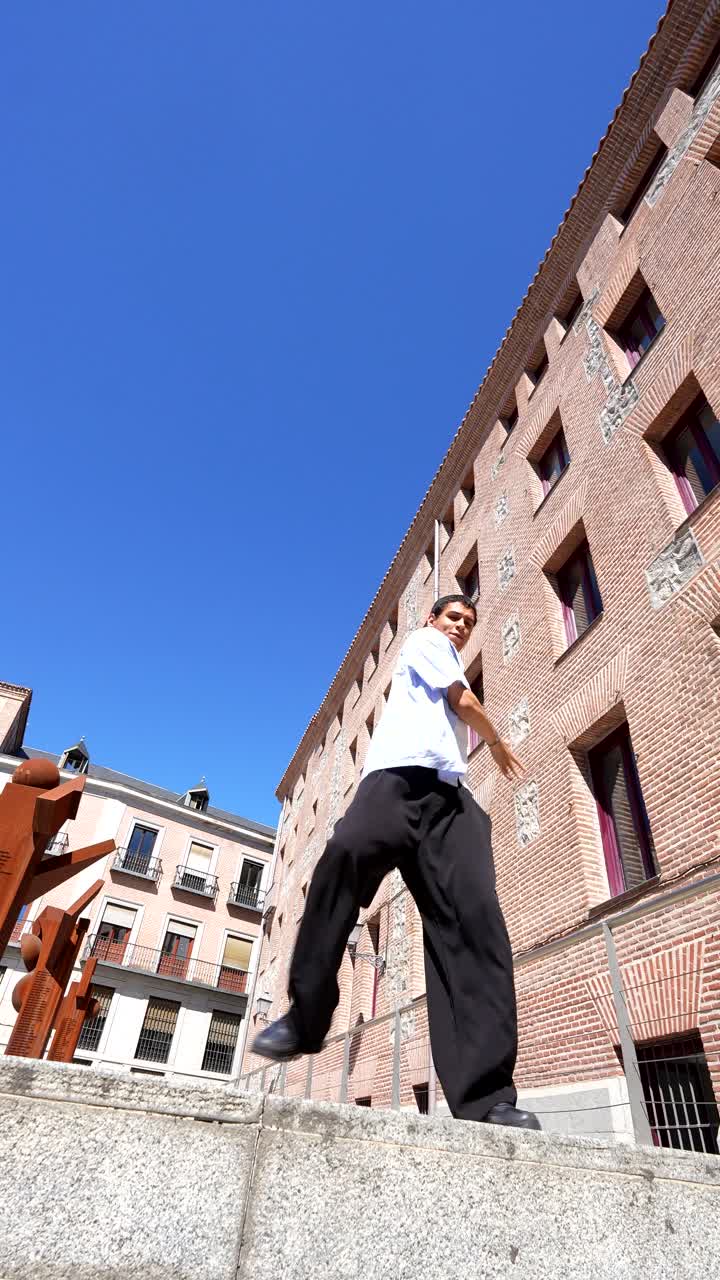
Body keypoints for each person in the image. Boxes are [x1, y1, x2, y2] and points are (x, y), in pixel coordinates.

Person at [253, 594, 540, 1130]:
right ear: (432, 620)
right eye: (454, 617)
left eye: (470, 623)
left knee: (475, 925)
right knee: (344, 855)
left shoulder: (446, 651)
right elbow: (464, 702)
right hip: (395, 784)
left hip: (450, 800)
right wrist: (496, 741)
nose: (461, 627)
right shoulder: (423, 643)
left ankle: (487, 1098)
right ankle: (307, 1017)